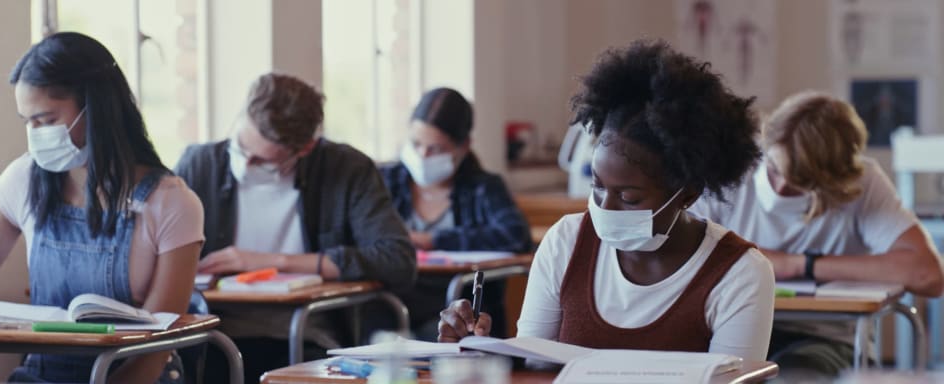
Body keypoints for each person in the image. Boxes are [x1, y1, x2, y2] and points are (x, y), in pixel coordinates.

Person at [438, 40, 775, 361]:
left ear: (687, 194)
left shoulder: (739, 273)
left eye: (629, 197)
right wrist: (480, 354)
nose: (605, 207)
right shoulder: (566, 243)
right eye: (597, 187)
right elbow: (534, 367)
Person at [0, 32, 203, 383]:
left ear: (96, 107)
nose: (36, 134)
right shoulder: (23, 180)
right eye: (28, 122)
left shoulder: (172, 202)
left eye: (46, 120)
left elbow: (155, 351)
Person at [175, 72, 416, 383]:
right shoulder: (200, 164)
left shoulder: (346, 169)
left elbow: (398, 260)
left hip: (307, 331)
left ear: (304, 150)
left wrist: (275, 262)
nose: (244, 164)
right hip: (214, 330)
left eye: (261, 161)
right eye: (240, 148)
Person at [689, 91, 944, 379]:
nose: (782, 188)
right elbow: (683, 253)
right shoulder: (736, 168)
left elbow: (927, 275)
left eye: (800, 183)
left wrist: (799, 264)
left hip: (823, 338)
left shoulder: (863, 181)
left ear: (834, 181)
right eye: (774, 170)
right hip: (729, 325)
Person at [380, 87, 532, 340]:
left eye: (435, 149)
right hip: (393, 301)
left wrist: (434, 240)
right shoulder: (388, 181)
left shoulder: (484, 188)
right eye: (416, 144)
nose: (422, 156)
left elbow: (515, 235)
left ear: (463, 147)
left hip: (459, 305)